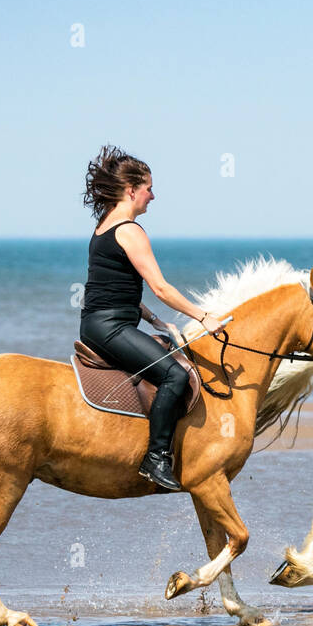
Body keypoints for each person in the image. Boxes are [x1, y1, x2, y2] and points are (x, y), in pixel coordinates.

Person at [79, 145, 224, 490]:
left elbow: (112, 287)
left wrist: (155, 321)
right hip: (110, 328)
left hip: (101, 323)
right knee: (175, 375)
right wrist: (204, 317)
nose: (153, 196)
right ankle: (156, 458)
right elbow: (160, 287)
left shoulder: (104, 226)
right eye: (148, 188)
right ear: (132, 191)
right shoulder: (129, 230)